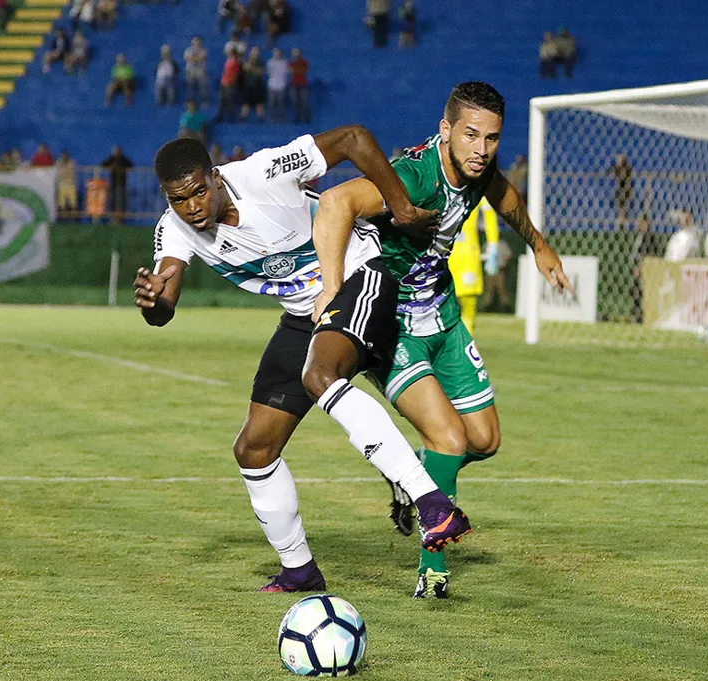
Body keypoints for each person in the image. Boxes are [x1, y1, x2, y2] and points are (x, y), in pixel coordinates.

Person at [134, 128, 470, 592]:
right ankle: (300, 569)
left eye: (197, 193)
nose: (191, 208)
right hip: (303, 316)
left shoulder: (264, 172)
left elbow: (353, 138)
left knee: (320, 374)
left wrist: (402, 207)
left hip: (359, 274)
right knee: (253, 448)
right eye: (178, 200)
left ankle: (434, 504)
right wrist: (153, 302)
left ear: (215, 178)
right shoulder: (173, 230)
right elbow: (164, 307)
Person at [312, 82, 571, 599]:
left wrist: (540, 247)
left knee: (484, 440)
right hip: (392, 324)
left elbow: (505, 196)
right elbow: (336, 202)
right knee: (450, 439)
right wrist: (331, 289)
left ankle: (411, 475)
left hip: (443, 317)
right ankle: (433, 567)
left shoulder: (478, 172)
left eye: (492, 138)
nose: (481, 149)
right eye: (471, 135)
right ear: (445, 130)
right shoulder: (413, 176)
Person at [449, 197, 498, 335]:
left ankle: (465, 344)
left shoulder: (478, 187)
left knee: (468, 303)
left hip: (466, 254)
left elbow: (489, 214)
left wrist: (493, 246)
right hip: (440, 253)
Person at [101, 145, 132, 222]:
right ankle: (112, 216)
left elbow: (130, 165)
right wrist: (111, 167)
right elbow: (104, 164)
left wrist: (121, 169)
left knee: (121, 199)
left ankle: (121, 217)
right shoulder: (112, 159)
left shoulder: (123, 159)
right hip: (113, 182)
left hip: (121, 183)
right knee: (112, 199)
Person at [240, 47, 265, 121]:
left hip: (258, 85)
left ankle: (260, 119)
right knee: (245, 103)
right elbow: (245, 68)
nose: (254, 54)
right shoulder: (247, 60)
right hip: (247, 85)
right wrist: (253, 68)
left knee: (259, 103)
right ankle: (243, 118)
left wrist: (252, 68)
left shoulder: (260, 62)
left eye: (256, 52)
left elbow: (261, 72)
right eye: (253, 52)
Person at [217, 48, 241, 122]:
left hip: (229, 83)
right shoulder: (228, 61)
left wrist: (232, 82)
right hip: (224, 82)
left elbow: (236, 74)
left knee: (230, 100)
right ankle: (220, 116)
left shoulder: (236, 62)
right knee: (222, 100)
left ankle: (232, 117)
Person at [183, 36, 209, 107]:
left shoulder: (203, 50)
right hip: (190, 72)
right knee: (190, 88)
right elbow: (186, 58)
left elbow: (202, 57)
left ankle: (204, 101)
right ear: (192, 42)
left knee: (203, 87)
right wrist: (196, 58)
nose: (196, 42)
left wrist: (193, 58)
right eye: (194, 41)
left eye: (197, 41)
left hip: (200, 72)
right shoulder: (187, 50)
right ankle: (190, 103)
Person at [266, 47, 288, 123]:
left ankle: (281, 119)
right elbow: (269, 72)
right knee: (272, 103)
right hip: (272, 85)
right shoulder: (270, 62)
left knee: (280, 103)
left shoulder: (284, 62)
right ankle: (271, 119)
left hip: (281, 85)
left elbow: (285, 72)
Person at [288, 48, 309, 124]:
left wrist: (295, 70)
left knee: (304, 102)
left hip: (303, 84)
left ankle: (307, 118)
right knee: (295, 102)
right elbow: (290, 70)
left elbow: (304, 70)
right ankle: (297, 118)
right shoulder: (291, 62)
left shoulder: (304, 62)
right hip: (294, 84)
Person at [612, 152, 632, 227]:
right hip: (619, 189)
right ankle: (620, 220)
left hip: (626, 189)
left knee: (624, 205)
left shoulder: (627, 168)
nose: (618, 160)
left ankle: (624, 221)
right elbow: (613, 174)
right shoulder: (616, 168)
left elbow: (625, 177)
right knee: (619, 206)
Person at [56, 151, 78, 215]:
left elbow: (72, 173)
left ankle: (74, 215)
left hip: (71, 184)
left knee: (73, 201)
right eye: (63, 156)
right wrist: (63, 173)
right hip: (62, 184)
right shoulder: (59, 162)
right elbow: (59, 173)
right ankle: (63, 215)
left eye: (66, 156)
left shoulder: (72, 162)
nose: (65, 157)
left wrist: (64, 172)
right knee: (61, 201)